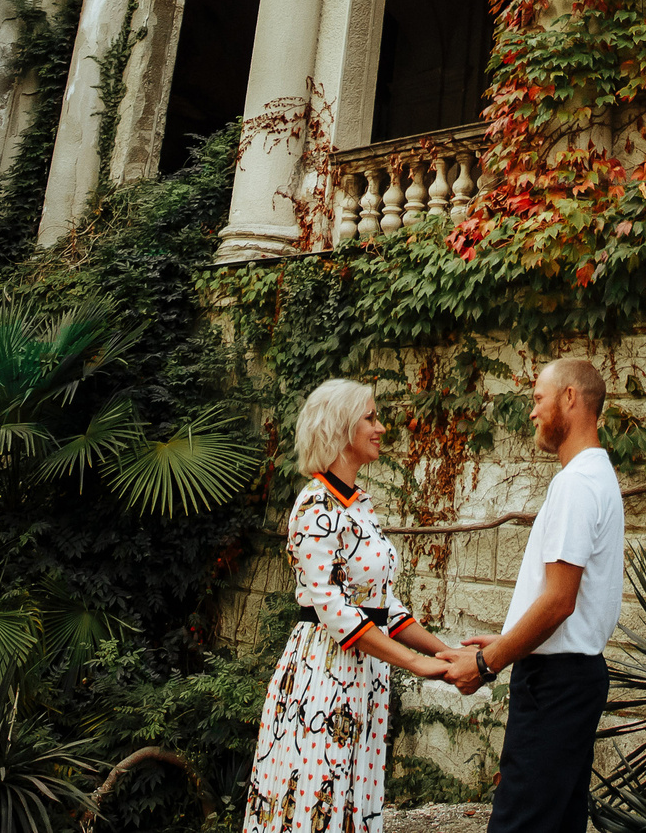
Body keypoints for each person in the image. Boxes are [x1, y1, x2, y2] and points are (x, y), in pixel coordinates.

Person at [243, 376, 462, 833]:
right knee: (317, 802)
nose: (382, 427)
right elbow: (335, 609)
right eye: (371, 417)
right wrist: (416, 665)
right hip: (323, 675)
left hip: (363, 675)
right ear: (343, 429)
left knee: (353, 798)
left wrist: (443, 651)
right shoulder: (313, 507)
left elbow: (381, 604)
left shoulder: (357, 506)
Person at [445, 357, 624, 833]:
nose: (532, 413)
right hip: (573, 679)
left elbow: (560, 601)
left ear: (570, 397)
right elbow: (567, 603)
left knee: (519, 824)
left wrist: (488, 663)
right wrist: (509, 635)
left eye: (538, 399)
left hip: (554, 686)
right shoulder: (598, 476)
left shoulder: (576, 485)